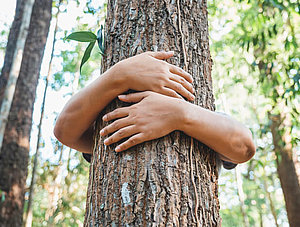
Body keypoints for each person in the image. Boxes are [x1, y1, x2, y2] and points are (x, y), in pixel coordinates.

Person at [54, 51, 255, 169]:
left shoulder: (210, 125)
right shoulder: (108, 120)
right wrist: (121, 75)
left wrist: (178, 113)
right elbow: (64, 130)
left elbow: (244, 147)